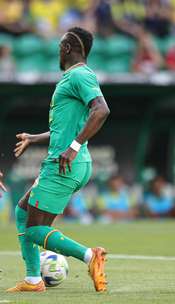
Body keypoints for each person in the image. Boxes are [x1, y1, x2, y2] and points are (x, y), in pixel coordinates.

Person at [7, 27, 110, 293]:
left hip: (64, 164)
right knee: (22, 211)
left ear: (66, 48)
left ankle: (90, 256)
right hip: (67, 162)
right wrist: (35, 137)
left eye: (59, 46)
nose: (57, 50)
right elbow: (63, 130)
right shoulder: (73, 78)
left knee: (33, 230)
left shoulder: (80, 75)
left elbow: (101, 110)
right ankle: (33, 280)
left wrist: (74, 146)